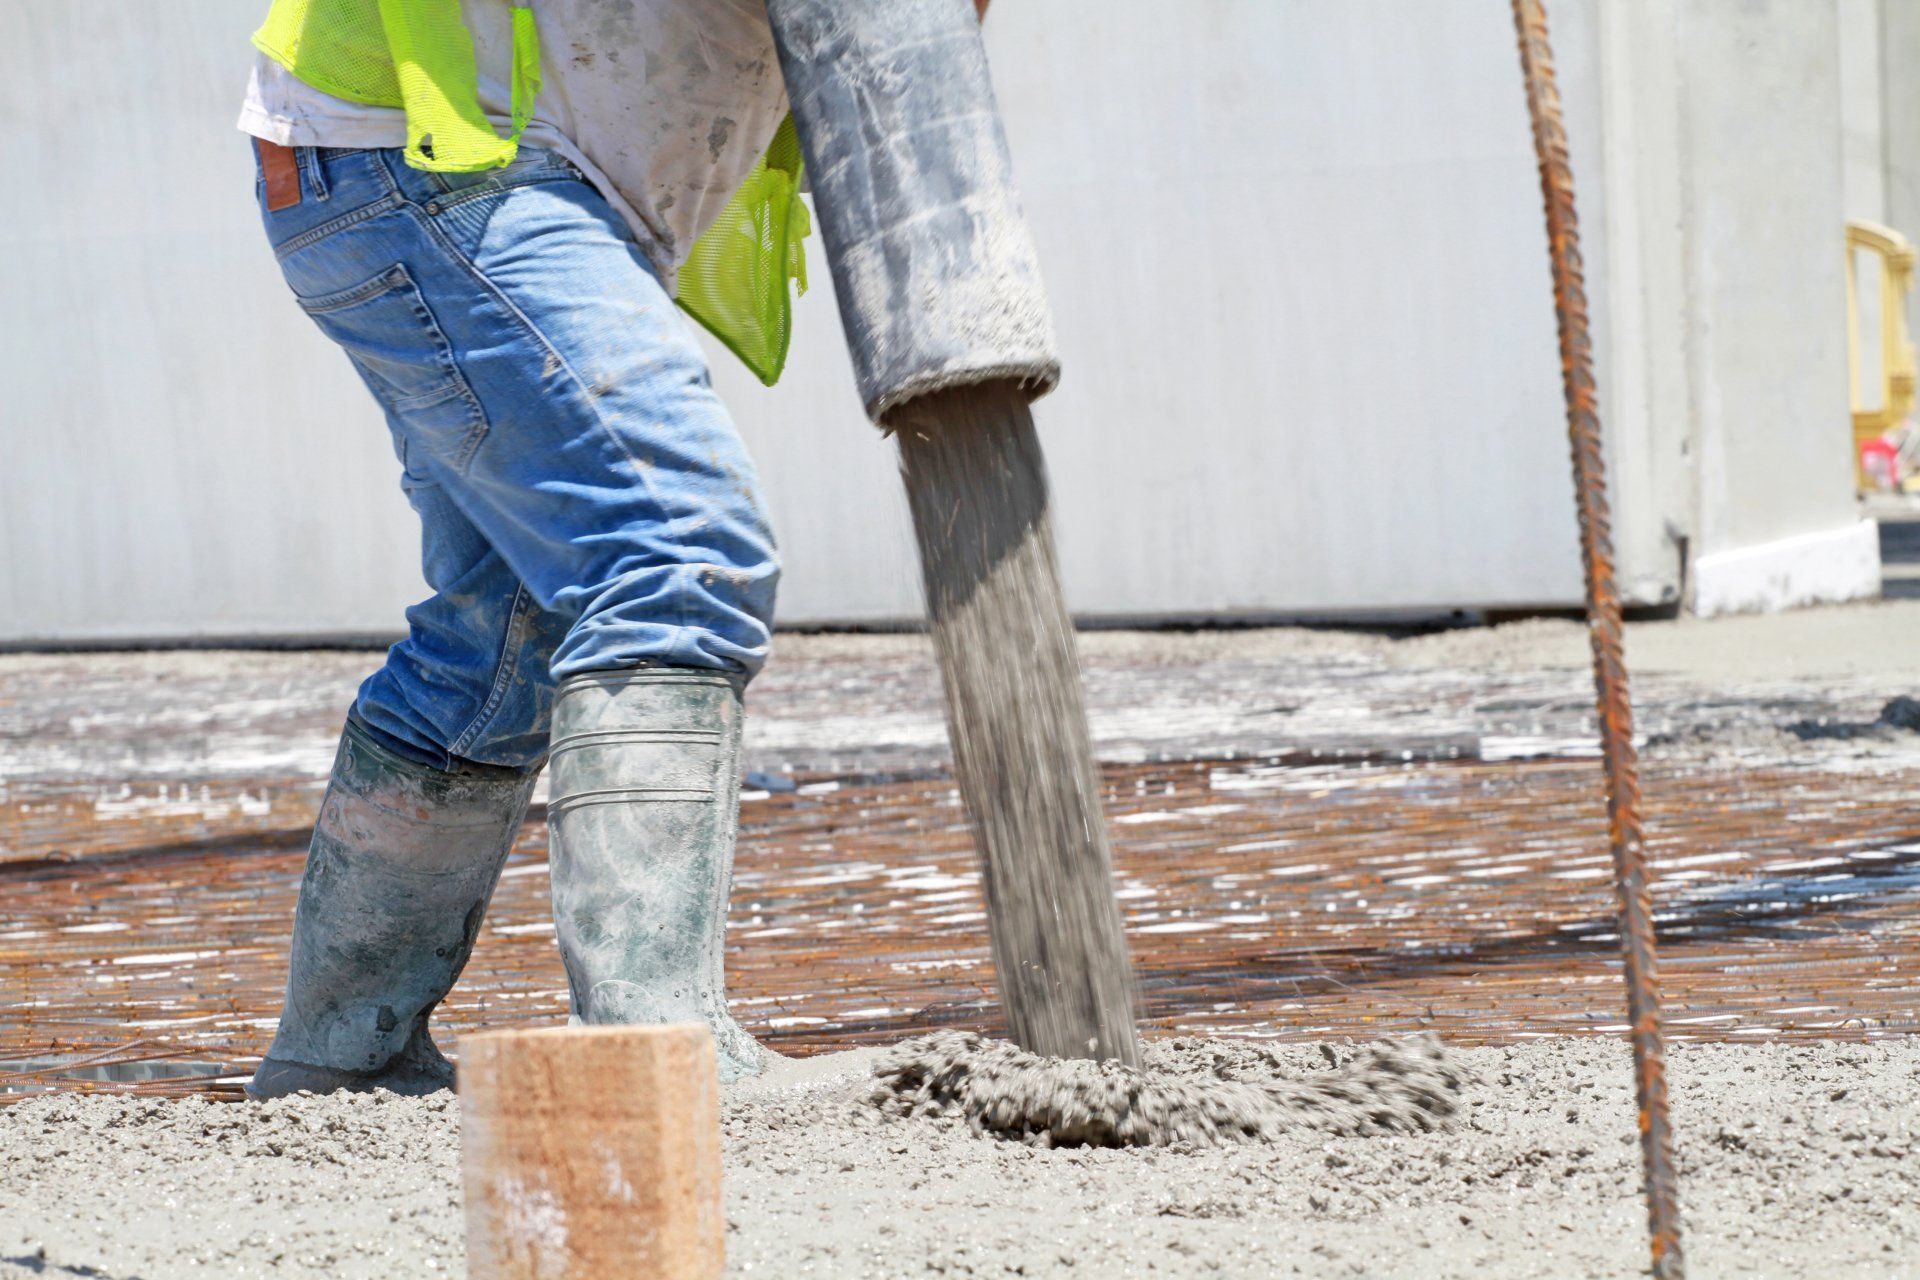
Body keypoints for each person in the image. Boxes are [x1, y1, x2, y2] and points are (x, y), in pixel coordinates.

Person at [237, 0, 805, 1098]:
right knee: (677, 548)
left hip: (429, 164)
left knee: (507, 627)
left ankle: (342, 1053)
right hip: (441, 153)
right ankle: (664, 1059)